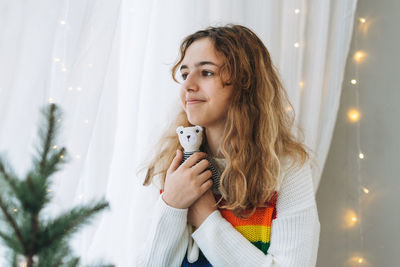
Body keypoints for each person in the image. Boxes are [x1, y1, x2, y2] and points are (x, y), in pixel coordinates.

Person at [135, 24, 320, 266]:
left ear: (244, 82)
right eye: (184, 74)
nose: (188, 86)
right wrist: (172, 204)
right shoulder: (172, 165)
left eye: (206, 73)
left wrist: (206, 220)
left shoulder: (287, 169)